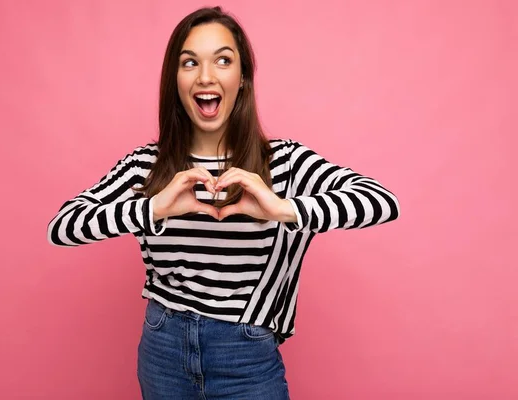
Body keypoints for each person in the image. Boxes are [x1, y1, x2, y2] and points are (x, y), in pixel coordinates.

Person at [47, 6, 400, 399]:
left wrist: (281, 208)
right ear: (175, 80)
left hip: (245, 353)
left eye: (223, 60)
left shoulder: (282, 162)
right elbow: (63, 226)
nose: (206, 76)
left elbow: (381, 200)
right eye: (189, 62)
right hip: (162, 349)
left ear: (243, 77)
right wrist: (154, 208)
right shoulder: (147, 164)